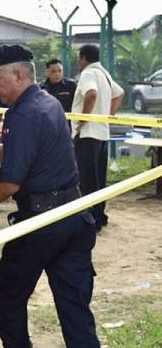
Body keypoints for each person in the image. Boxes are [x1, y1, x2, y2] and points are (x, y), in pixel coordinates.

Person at [0, 44, 100, 348]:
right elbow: (16, 153)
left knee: (7, 299)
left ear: (19, 75)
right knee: (75, 311)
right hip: (73, 218)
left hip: (40, 223)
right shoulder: (48, 103)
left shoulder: (22, 114)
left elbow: (9, 183)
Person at [72, 44, 124, 231]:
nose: (78, 62)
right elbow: (119, 94)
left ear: (83, 57)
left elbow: (91, 94)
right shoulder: (105, 74)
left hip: (88, 134)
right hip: (102, 133)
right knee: (99, 179)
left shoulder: (88, 73)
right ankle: (100, 216)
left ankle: (90, 221)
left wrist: (84, 119)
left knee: (86, 180)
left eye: (79, 58)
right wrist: (107, 115)